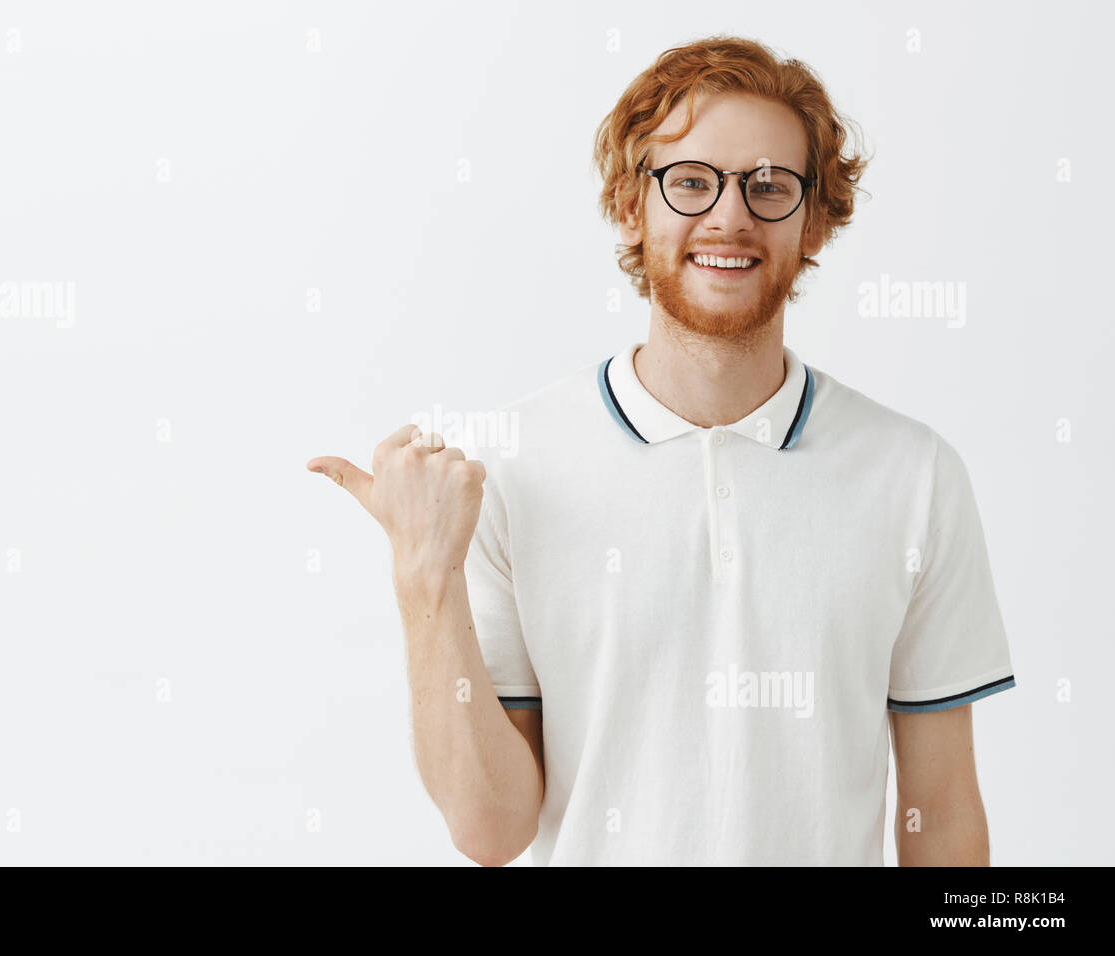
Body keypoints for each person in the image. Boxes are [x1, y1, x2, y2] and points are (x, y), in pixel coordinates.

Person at [306, 35, 1015, 866]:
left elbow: (944, 812)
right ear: (629, 204)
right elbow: (491, 829)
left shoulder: (914, 477)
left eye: (770, 185)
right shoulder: (511, 470)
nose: (730, 216)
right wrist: (424, 575)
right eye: (690, 182)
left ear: (815, 221)